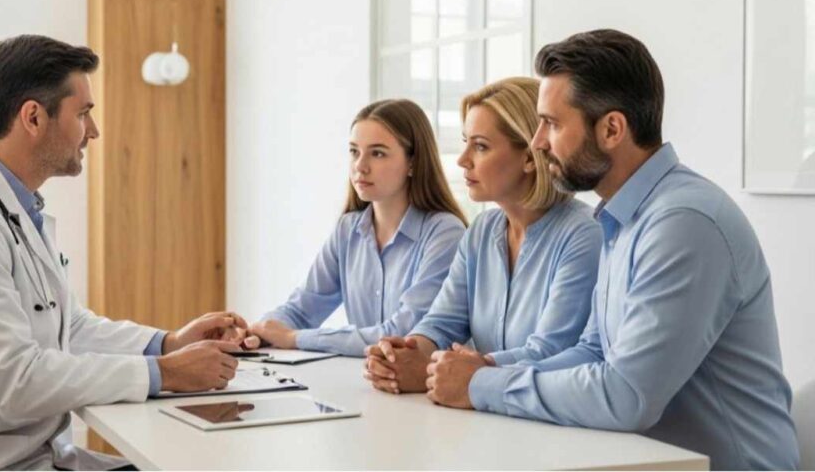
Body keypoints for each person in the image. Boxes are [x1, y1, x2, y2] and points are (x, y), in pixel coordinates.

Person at [0, 35, 252, 470]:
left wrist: (166, 343)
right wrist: (165, 372)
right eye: (83, 113)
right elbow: (16, 381)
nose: (94, 131)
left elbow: (69, 330)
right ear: (33, 117)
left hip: (25, 455)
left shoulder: (13, 207)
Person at [424, 29, 800, 470]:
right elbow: (592, 351)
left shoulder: (684, 223)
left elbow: (628, 397)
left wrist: (482, 385)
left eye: (553, 123)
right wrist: (485, 367)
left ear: (612, 129)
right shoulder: (622, 217)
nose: (538, 141)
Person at [363, 77, 601, 394]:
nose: (462, 160)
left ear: (530, 156)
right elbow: (441, 324)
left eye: (480, 146)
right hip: (487, 417)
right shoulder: (482, 230)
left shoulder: (583, 234)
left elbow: (551, 353)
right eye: (465, 143)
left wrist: (449, 372)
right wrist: (402, 353)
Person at [247, 99, 467, 356]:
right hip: (368, 382)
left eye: (377, 153)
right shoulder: (348, 229)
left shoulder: (444, 233)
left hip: (422, 388)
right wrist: (255, 333)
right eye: (354, 151)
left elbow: (403, 333)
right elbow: (301, 309)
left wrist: (294, 338)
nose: (360, 166)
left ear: (413, 163)